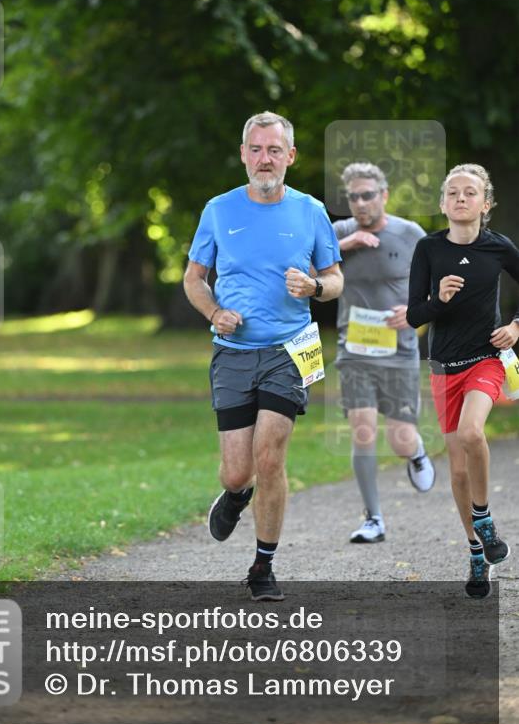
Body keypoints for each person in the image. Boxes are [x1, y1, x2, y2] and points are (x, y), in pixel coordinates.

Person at [183, 111, 343, 601]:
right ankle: (235, 494)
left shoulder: (311, 210)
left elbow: (335, 280)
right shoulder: (218, 210)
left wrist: (315, 286)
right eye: (256, 149)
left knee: (270, 456)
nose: (265, 159)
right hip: (232, 352)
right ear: (243, 155)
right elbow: (193, 280)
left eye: (274, 150)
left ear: (290, 156)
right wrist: (214, 311)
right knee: (238, 470)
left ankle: (263, 567)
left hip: (291, 349)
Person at [407, 163, 519, 599]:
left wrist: (516, 326)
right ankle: (476, 552)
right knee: (457, 473)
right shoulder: (428, 249)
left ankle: (485, 519)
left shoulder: (498, 248)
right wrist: (439, 299)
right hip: (443, 367)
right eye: (452, 193)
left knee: (473, 433)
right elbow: (414, 314)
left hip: (486, 360)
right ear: (442, 204)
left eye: (470, 193)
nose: (460, 199)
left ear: (485, 204)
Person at [333, 163, 436, 544]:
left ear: (384, 195)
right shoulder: (337, 233)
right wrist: (346, 245)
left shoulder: (410, 234)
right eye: (353, 197)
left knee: (400, 439)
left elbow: (439, 290)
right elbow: (303, 268)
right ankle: (373, 518)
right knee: (362, 430)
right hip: (353, 349)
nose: (360, 203)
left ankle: (416, 453)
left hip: (399, 350)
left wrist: (414, 314)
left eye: (368, 195)